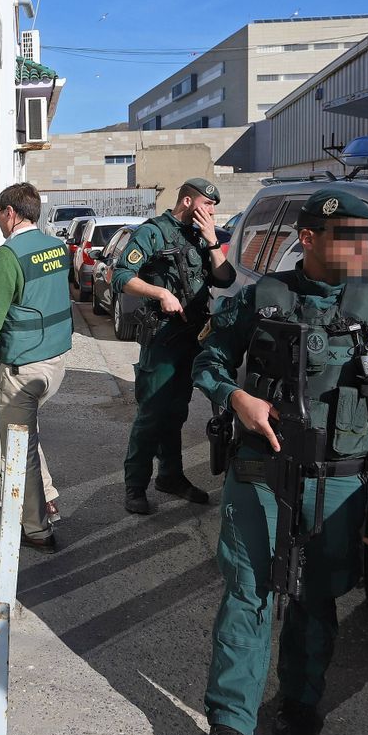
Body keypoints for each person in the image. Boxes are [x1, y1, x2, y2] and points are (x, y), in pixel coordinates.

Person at [191, 188, 368, 735]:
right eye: (347, 240)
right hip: (261, 470)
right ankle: (229, 726)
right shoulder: (262, 298)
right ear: (307, 239)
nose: (360, 251)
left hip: (341, 481)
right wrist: (236, 399)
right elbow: (209, 361)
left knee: (314, 596)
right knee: (248, 591)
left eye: (364, 241)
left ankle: (301, 703)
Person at [0, 182, 74, 551]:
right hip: (55, 362)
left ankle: (38, 530)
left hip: (22, 369)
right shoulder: (57, 247)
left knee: (18, 449)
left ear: (10, 213)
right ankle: (47, 495)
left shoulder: (9, 256)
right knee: (28, 433)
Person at [113, 177, 236, 515]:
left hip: (193, 337)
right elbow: (121, 275)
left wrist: (212, 242)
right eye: (207, 205)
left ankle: (170, 476)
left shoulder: (201, 236)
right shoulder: (154, 232)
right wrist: (162, 293)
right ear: (187, 201)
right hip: (164, 336)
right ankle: (135, 486)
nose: (212, 211)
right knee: (152, 414)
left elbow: (225, 279)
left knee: (176, 412)